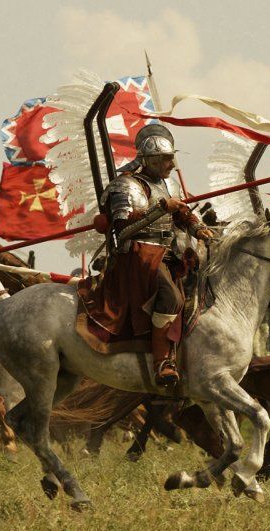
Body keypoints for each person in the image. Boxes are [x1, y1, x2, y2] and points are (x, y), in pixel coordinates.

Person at [81, 124, 215, 386]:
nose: (171, 164)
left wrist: (198, 228)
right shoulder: (125, 186)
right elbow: (122, 230)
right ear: (150, 160)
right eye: (165, 159)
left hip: (168, 252)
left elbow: (182, 213)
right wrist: (160, 209)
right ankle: (162, 362)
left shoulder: (168, 184)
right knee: (172, 298)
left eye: (171, 158)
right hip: (138, 254)